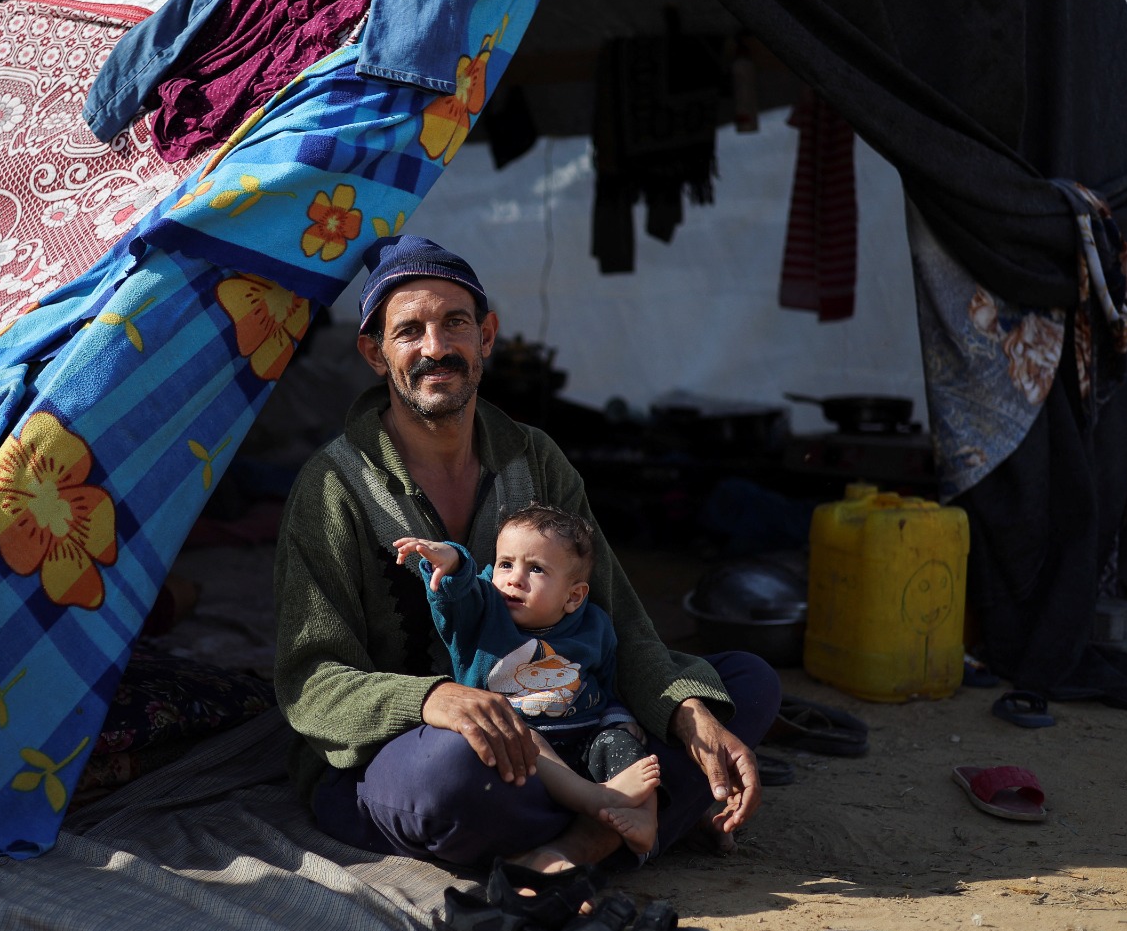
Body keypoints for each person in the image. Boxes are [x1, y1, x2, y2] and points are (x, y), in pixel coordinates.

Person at [272, 234, 781, 880]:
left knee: (742, 687)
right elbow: (309, 681)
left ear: (487, 335)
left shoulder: (535, 458)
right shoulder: (332, 487)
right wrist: (434, 700)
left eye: (455, 323)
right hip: (415, 756)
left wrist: (686, 712)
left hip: (571, 729)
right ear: (375, 354)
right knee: (451, 779)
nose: (436, 348)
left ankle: (576, 846)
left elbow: (617, 617)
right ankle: (635, 816)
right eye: (410, 332)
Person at [394, 504, 663, 856]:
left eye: (536, 569)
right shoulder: (483, 615)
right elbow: (455, 597)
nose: (514, 578)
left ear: (573, 596)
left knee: (624, 744)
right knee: (528, 737)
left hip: (583, 745)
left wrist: (620, 719)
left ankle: (646, 819)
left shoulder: (594, 627)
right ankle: (597, 798)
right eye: (506, 564)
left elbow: (605, 684)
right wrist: (452, 563)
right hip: (520, 754)